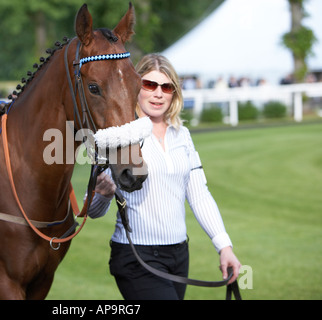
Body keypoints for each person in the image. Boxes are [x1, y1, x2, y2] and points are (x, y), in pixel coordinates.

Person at [87, 53, 241, 300]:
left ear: (174, 93)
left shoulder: (183, 135)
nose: (158, 93)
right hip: (136, 257)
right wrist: (102, 196)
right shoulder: (118, 136)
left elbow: (200, 196)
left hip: (179, 254)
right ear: (136, 86)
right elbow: (92, 210)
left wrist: (224, 246)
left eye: (166, 87)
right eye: (150, 84)